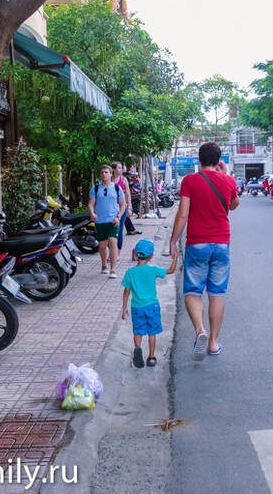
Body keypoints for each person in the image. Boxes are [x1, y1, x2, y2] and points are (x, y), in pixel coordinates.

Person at [169, 142, 239, 360]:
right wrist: (225, 174)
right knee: (217, 294)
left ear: (198, 160)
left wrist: (173, 242)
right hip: (221, 244)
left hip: (197, 242)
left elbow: (182, 214)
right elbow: (234, 205)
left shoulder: (190, 180)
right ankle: (213, 343)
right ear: (219, 160)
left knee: (192, 291)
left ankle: (200, 329)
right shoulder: (229, 180)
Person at [121, 239, 178, 368]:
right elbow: (171, 270)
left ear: (135, 254)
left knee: (138, 331)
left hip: (136, 307)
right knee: (152, 332)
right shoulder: (153, 270)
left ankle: (137, 348)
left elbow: (126, 291)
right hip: (152, 306)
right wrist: (175, 258)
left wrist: (124, 308)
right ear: (151, 256)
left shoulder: (130, 272)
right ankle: (151, 358)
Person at [88, 165, 126, 278]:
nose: (104, 174)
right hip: (100, 221)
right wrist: (92, 213)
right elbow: (90, 203)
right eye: (102, 172)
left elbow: (123, 204)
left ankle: (113, 270)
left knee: (113, 242)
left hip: (113, 220)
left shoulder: (117, 188)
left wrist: (118, 216)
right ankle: (104, 265)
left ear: (110, 174)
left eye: (106, 172)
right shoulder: (95, 189)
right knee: (102, 245)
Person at [111, 162, 141, 254]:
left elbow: (128, 194)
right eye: (119, 168)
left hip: (122, 207)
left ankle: (118, 253)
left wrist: (129, 208)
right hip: (111, 208)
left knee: (119, 230)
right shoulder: (109, 180)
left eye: (121, 168)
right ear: (113, 170)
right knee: (111, 231)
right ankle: (112, 252)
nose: (121, 170)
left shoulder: (123, 180)